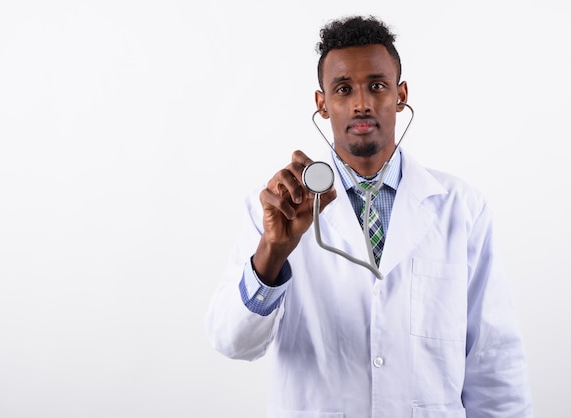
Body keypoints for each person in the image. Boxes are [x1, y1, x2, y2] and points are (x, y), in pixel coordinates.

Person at [205, 15, 533, 417]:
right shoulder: (276, 208)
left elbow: (494, 362)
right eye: (343, 89)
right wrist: (273, 251)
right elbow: (231, 342)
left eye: (377, 85)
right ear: (322, 104)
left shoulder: (461, 208)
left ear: (400, 94)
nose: (361, 103)